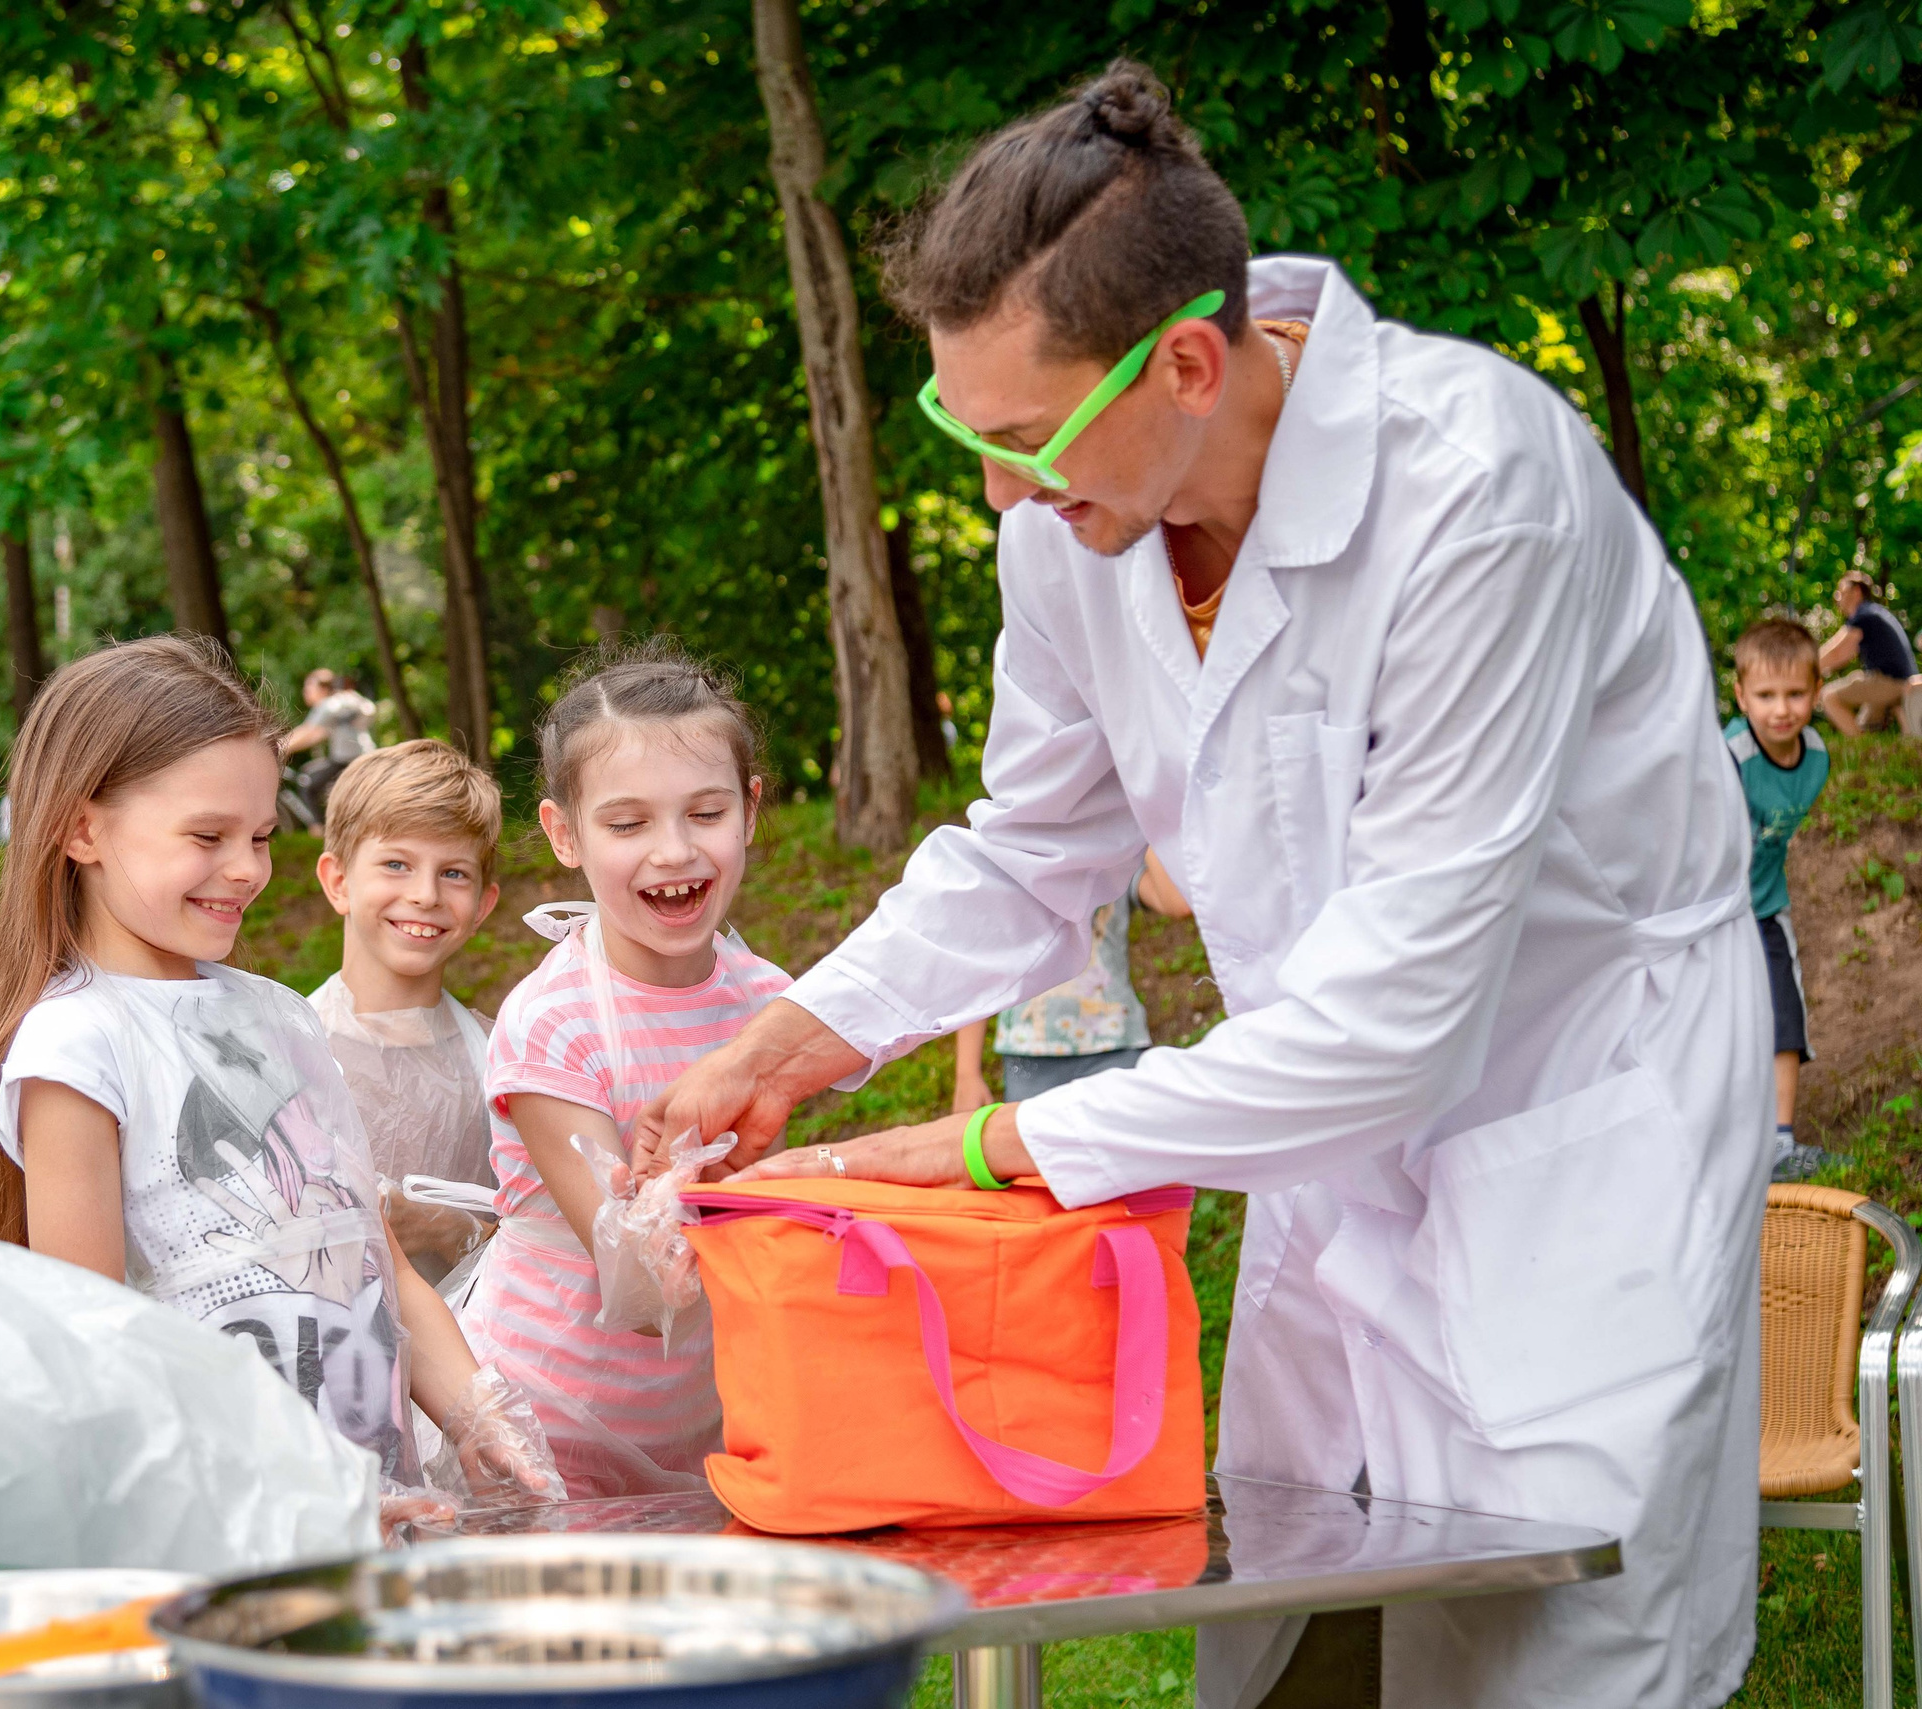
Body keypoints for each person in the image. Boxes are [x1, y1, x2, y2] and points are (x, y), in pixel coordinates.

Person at [638, 64, 1764, 1709]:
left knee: (1555, 1650)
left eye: (1023, 438)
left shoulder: (1478, 491)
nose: (999, 494)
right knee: (1303, 1630)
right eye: (971, 434)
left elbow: (1394, 1026)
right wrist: (792, 1044)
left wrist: (977, 1147)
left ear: (1184, 361)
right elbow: (1034, 843)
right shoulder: (1076, 534)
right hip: (1329, 1152)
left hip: (1576, 1129)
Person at [0, 635, 557, 1516]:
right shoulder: (77, 1045)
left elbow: (374, 1254)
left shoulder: (280, 1017)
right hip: (228, 1532)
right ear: (83, 826)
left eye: (262, 836)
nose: (247, 869)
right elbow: (99, 1354)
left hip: (382, 1515)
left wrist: (477, 1412)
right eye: (208, 835)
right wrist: (295, 1508)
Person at [456, 644, 791, 1499]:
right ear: (565, 833)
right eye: (628, 822)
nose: (673, 851)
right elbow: (641, 1290)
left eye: (705, 812)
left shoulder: (769, 1003)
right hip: (549, 1424)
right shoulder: (553, 1023)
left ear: (750, 810)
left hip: (701, 1412)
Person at [308, 739, 507, 1285]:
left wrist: (450, 1230)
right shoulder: (284, 1051)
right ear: (338, 882)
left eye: (455, 873)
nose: (425, 894)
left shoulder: (504, 1059)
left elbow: (549, 1245)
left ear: (483, 907)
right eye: (396, 864)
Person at [951, 847, 1188, 1111]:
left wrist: (1142, 817)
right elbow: (984, 965)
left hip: (1115, 1047)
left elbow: (1177, 901)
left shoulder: (1115, 861)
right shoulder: (1008, 858)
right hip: (1029, 1055)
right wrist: (967, 1073)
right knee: (1034, 1151)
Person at [1727, 619, 1832, 1181]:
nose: (1781, 709)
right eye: (1765, 696)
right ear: (1741, 696)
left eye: (1795, 693)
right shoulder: (1728, 757)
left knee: (1783, 1017)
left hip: (1766, 905)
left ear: (1817, 693)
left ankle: (1781, 1144)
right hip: (1711, 912)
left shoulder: (1816, 756)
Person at [1817, 570, 1918, 735]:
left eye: (1841, 592)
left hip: (1889, 682)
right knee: (1865, 726)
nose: (1837, 598)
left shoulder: (1864, 615)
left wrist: (1807, 668)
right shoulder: (1874, 612)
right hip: (1897, 682)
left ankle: (1859, 749)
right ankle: (1871, 748)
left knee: (1829, 696)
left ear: (1856, 591)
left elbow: (1839, 652)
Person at [283, 668, 379, 807]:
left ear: (323, 689)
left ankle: (318, 827)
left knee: (308, 785)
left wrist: (279, 746)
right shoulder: (345, 700)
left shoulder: (328, 705)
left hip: (346, 761)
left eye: (309, 687)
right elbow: (316, 735)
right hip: (366, 754)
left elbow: (308, 731)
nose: (305, 691)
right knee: (311, 772)